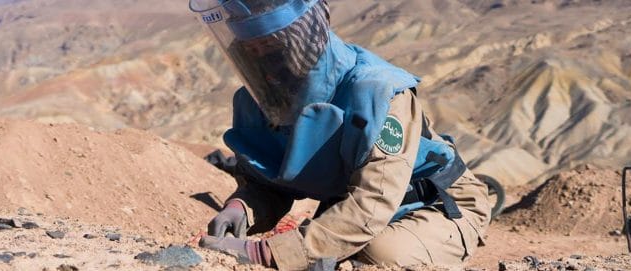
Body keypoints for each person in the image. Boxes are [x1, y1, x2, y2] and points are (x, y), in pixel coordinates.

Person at [188, 0, 491, 269]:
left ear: (303, 40)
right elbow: (272, 181)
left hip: (438, 203)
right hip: (356, 209)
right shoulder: (264, 101)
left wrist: (267, 254)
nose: (263, 63)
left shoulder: (376, 91)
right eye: (250, 50)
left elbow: (372, 202)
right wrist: (241, 208)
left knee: (377, 253)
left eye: (271, 47)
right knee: (332, 250)